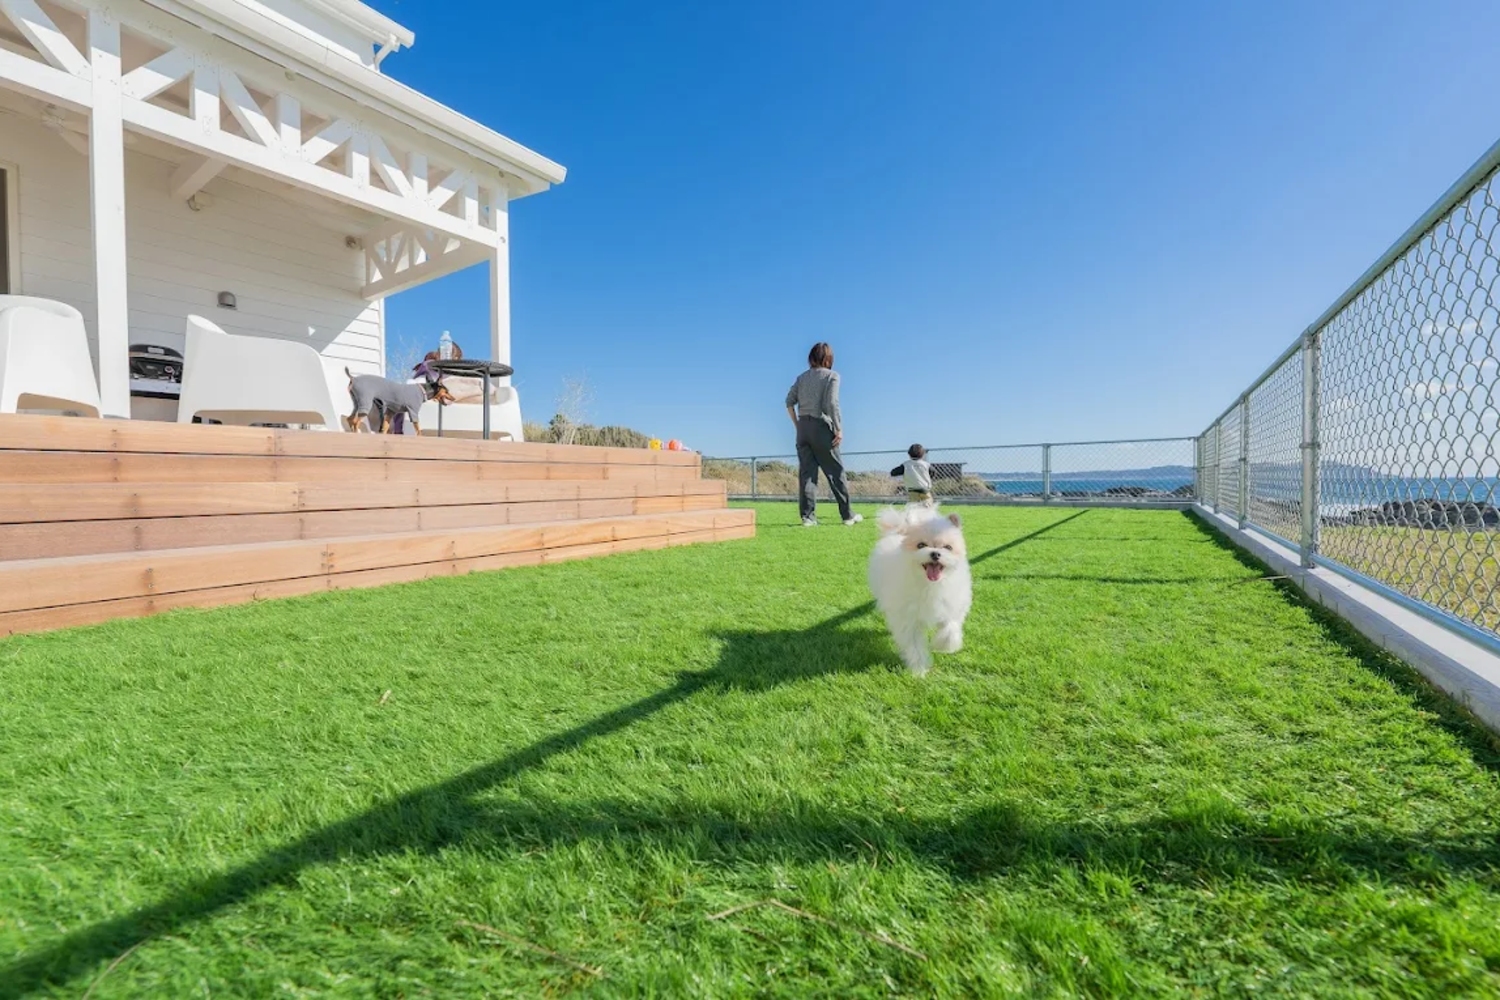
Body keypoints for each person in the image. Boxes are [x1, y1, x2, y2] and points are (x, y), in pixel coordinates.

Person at [785, 342, 862, 527]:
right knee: (836, 472)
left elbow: (788, 402)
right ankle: (847, 515)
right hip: (820, 427)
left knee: (807, 475)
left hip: (803, 429)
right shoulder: (832, 376)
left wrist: (797, 425)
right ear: (828, 359)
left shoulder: (801, 378)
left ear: (811, 357)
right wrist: (839, 428)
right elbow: (832, 404)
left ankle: (808, 517)